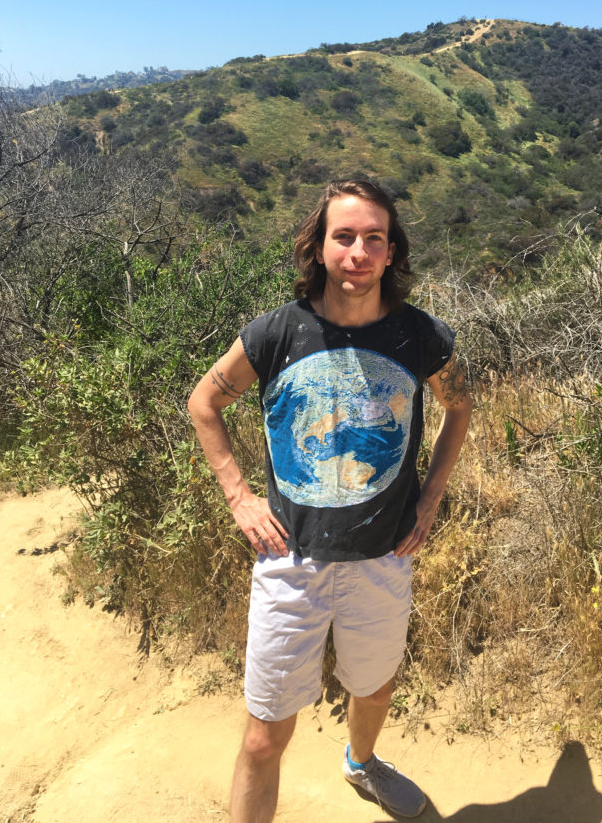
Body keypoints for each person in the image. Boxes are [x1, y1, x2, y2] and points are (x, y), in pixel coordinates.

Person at [188, 178, 472, 822]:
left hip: (383, 556)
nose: (358, 251)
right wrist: (238, 496)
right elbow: (204, 403)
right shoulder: (274, 335)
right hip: (290, 561)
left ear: (393, 252)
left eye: (375, 238)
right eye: (343, 236)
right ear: (317, 248)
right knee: (264, 737)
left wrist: (429, 500)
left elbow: (460, 407)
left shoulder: (421, 336)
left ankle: (362, 763)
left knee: (374, 687)